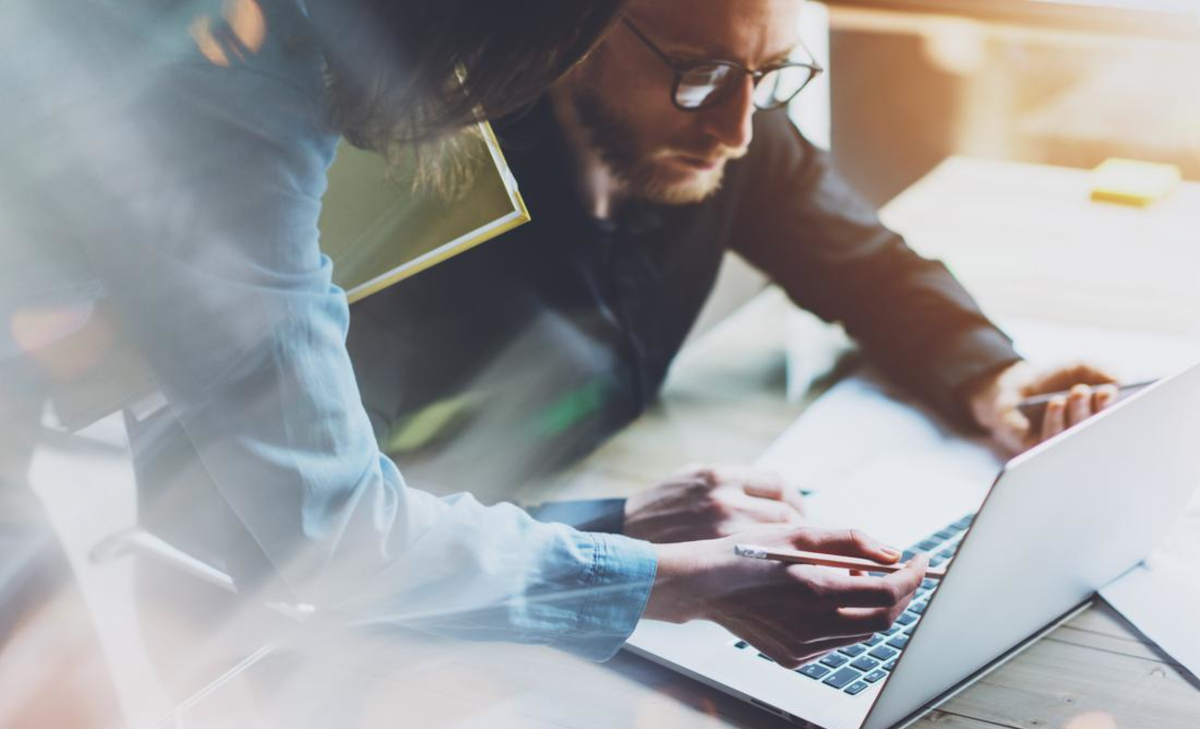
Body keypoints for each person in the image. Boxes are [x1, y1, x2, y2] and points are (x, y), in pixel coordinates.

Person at [2, 0, 923, 684]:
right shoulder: (241, 92)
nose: (735, 127)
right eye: (697, 72)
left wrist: (617, 536)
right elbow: (308, 527)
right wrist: (663, 580)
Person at [346, 0, 1120, 544]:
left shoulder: (719, 130)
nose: (739, 129)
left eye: (770, 73)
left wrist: (992, 376)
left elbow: (867, 266)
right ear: (573, 29)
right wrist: (619, 527)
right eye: (700, 74)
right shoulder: (415, 218)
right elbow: (334, 526)